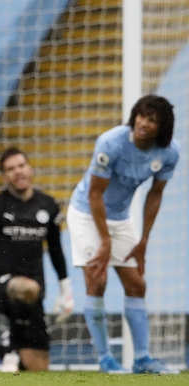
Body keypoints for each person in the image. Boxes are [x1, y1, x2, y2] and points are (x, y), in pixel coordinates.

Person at [68, 95, 180, 374]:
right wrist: (105, 241)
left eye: (152, 120)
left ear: (162, 127)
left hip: (119, 217)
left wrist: (143, 241)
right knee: (98, 282)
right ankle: (106, 359)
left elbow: (155, 195)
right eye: (141, 115)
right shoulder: (110, 143)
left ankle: (142, 358)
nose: (144, 123)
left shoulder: (169, 152)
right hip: (86, 213)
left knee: (137, 285)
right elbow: (95, 194)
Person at [0, 147, 73, 372]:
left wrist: (66, 290)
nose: (17, 172)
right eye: (10, 169)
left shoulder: (48, 206)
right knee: (26, 288)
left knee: (36, 367)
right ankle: (10, 348)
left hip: (34, 291)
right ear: (4, 176)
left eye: (21, 166)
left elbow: (56, 251)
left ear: (30, 169)